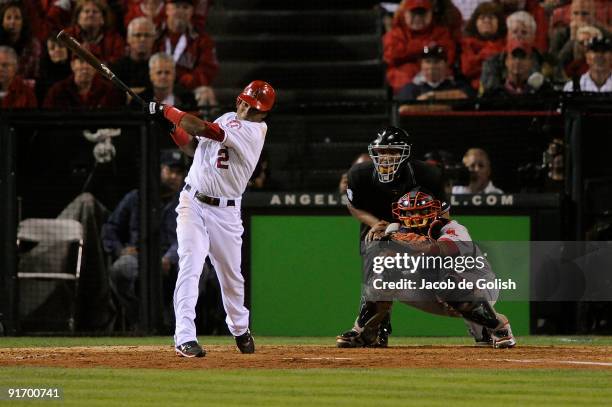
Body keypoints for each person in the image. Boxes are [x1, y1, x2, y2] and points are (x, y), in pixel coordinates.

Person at [146, 80, 276, 357]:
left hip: (225, 212)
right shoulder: (229, 117)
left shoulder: (255, 131)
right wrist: (172, 129)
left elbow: (206, 129)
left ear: (263, 113)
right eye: (243, 101)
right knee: (190, 265)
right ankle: (184, 336)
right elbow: (195, 148)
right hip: (192, 201)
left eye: (252, 106)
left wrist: (169, 111)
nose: (243, 108)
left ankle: (240, 328)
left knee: (231, 276)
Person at [351, 189, 516, 348]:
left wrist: (407, 242)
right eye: (409, 213)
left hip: (478, 287)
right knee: (383, 274)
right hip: (432, 290)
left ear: (434, 212)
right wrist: (384, 244)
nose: (414, 217)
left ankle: (498, 326)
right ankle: (366, 332)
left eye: (420, 212)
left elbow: (440, 250)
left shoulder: (454, 229)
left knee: (447, 280)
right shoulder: (395, 231)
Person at [335, 127, 450, 348]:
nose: (387, 157)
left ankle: (484, 326)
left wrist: (405, 231)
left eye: (393, 151)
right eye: (382, 151)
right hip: (378, 231)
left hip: (421, 230)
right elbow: (354, 206)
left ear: (406, 153)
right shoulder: (358, 175)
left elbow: (444, 215)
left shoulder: (427, 174)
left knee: (452, 289)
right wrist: (375, 223)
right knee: (378, 269)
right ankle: (370, 331)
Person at [101, 149, 186, 331]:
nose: (174, 176)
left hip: (174, 256)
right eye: (170, 170)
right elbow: (110, 228)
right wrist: (120, 249)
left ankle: (175, 324)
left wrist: (170, 257)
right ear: (159, 170)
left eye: (179, 173)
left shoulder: (186, 201)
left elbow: (190, 237)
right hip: (139, 255)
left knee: (198, 270)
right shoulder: (136, 197)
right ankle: (139, 320)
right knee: (121, 268)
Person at [383, 0, 457, 93]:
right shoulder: (395, 34)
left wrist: (417, 51)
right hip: (403, 79)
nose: (418, 18)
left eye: (422, 14)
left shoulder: (441, 33)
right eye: (413, 14)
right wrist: (424, 47)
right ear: (404, 14)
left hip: (435, 75)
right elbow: (392, 56)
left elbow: (447, 55)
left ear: (431, 14)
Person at [155, 0, 219, 106]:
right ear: (167, 9)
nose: (180, 11)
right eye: (176, 6)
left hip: (186, 87)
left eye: (185, 7)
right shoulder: (155, 34)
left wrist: (185, 80)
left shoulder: (202, 39)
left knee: (206, 93)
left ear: (192, 11)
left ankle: (201, 122)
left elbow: (208, 69)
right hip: (157, 84)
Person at [397, 43, 475, 105]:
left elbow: (467, 96)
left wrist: (431, 97)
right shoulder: (410, 88)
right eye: (428, 62)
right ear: (421, 65)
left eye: (436, 62)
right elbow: (404, 109)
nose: (432, 66)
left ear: (446, 64)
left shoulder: (457, 85)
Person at [43, 52, 125, 108]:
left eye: (90, 62)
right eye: (81, 61)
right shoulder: (57, 91)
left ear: (97, 68)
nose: (85, 67)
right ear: (72, 65)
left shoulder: (109, 91)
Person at [481, 38, 552, 97]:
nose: (517, 61)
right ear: (506, 61)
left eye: (522, 57)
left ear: (531, 62)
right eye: (513, 57)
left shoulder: (543, 93)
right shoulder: (493, 95)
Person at [460, 2, 507, 90]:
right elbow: (467, 69)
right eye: (482, 18)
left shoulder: (506, 43)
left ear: (499, 22)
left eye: (491, 17)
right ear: (475, 22)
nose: (487, 21)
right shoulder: (467, 44)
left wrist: (479, 59)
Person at [63, 0, 125, 64]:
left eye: (95, 12)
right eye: (86, 11)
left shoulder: (114, 39)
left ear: (103, 18)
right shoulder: (67, 35)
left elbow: (118, 62)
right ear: (78, 17)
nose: (91, 14)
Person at [131, 52, 196, 110]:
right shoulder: (139, 100)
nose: (163, 76)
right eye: (159, 72)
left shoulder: (188, 99)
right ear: (151, 75)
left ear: (174, 74)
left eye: (167, 72)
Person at [111, 17, 157, 93]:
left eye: (147, 35)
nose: (142, 39)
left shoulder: (160, 68)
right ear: (128, 38)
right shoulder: (117, 68)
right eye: (137, 35)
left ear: (154, 39)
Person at [0, 1, 42, 80]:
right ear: (2, 21)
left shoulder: (32, 44)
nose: (12, 22)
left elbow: (34, 74)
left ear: (23, 22)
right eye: (8, 18)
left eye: (17, 18)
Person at [35, 33, 72, 102]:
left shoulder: (75, 73)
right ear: (47, 53)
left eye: (61, 46)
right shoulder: (42, 79)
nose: (57, 50)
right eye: (52, 48)